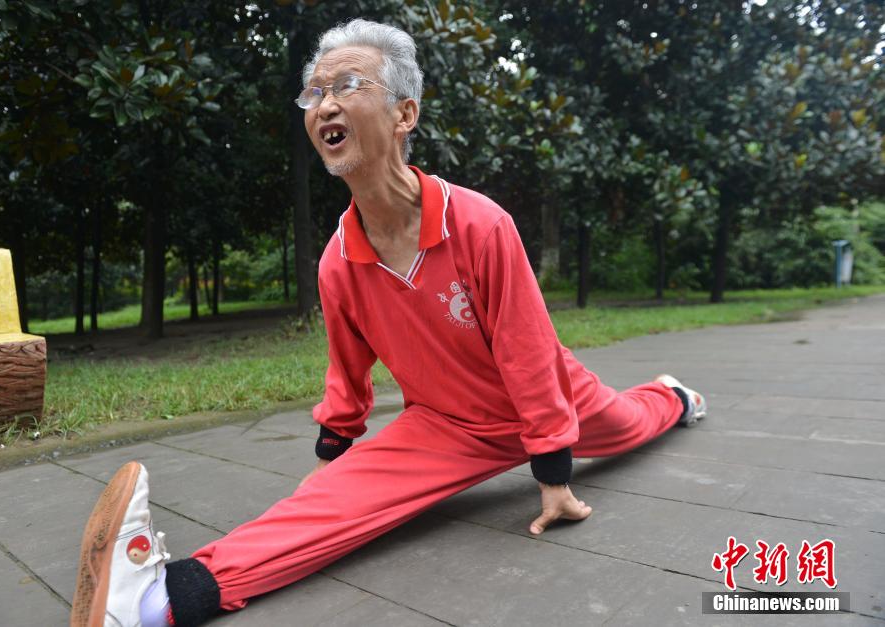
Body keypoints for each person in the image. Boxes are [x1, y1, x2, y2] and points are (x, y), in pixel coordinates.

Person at [70, 19, 706, 627]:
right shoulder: (338, 262)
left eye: (347, 85)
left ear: (405, 115)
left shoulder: (480, 224)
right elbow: (346, 374)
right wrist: (333, 457)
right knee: (328, 508)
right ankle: (160, 599)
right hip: (446, 425)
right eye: (314, 92)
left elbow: (529, 353)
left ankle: (674, 395)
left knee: (632, 424)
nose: (325, 104)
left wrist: (553, 473)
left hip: (547, 397)